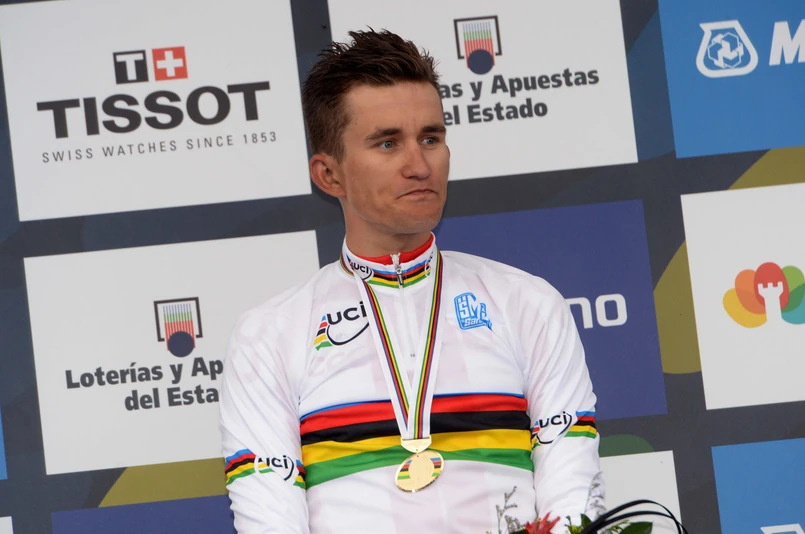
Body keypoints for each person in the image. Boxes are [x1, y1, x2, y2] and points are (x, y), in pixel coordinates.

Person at [220, 29, 604, 534]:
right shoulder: (269, 334)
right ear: (329, 175)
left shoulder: (527, 303)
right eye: (387, 143)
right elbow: (270, 519)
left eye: (430, 138)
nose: (419, 166)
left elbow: (573, 498)